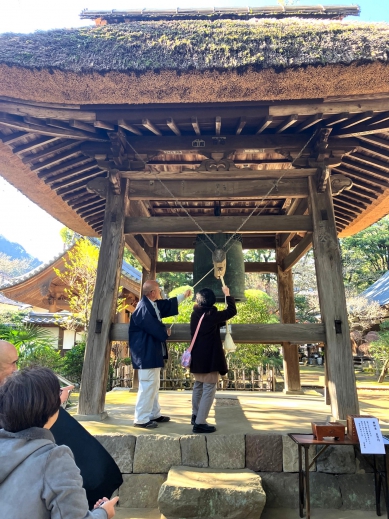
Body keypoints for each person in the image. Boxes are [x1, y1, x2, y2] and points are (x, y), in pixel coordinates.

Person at [0, 341, 123, 509]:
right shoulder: (54, 459)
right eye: (13, 363)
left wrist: (51, 400)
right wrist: (102, 514)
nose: (17, 368)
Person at [129, 280, 191, 428]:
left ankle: (153, 414)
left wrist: (183, 296)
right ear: (152, 292)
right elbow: (151, 326)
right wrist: (164, 331)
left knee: (153, 384)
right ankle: (141, 418)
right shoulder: (143, 307)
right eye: (158, 290)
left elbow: (167, 305)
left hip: (151, 351)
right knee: (148, 385)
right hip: (145, 353)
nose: (160, 292)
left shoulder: (152, 305)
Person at [190, 285, 237, 433]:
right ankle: (200, 422)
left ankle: (196, 415)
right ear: (212, 301)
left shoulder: (195, 314)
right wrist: (228, 295)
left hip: (197, 357)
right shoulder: (211, 315)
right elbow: (232, 311)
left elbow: (209, 325)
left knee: (198, 385)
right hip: (209, 358)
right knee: (209, 388)